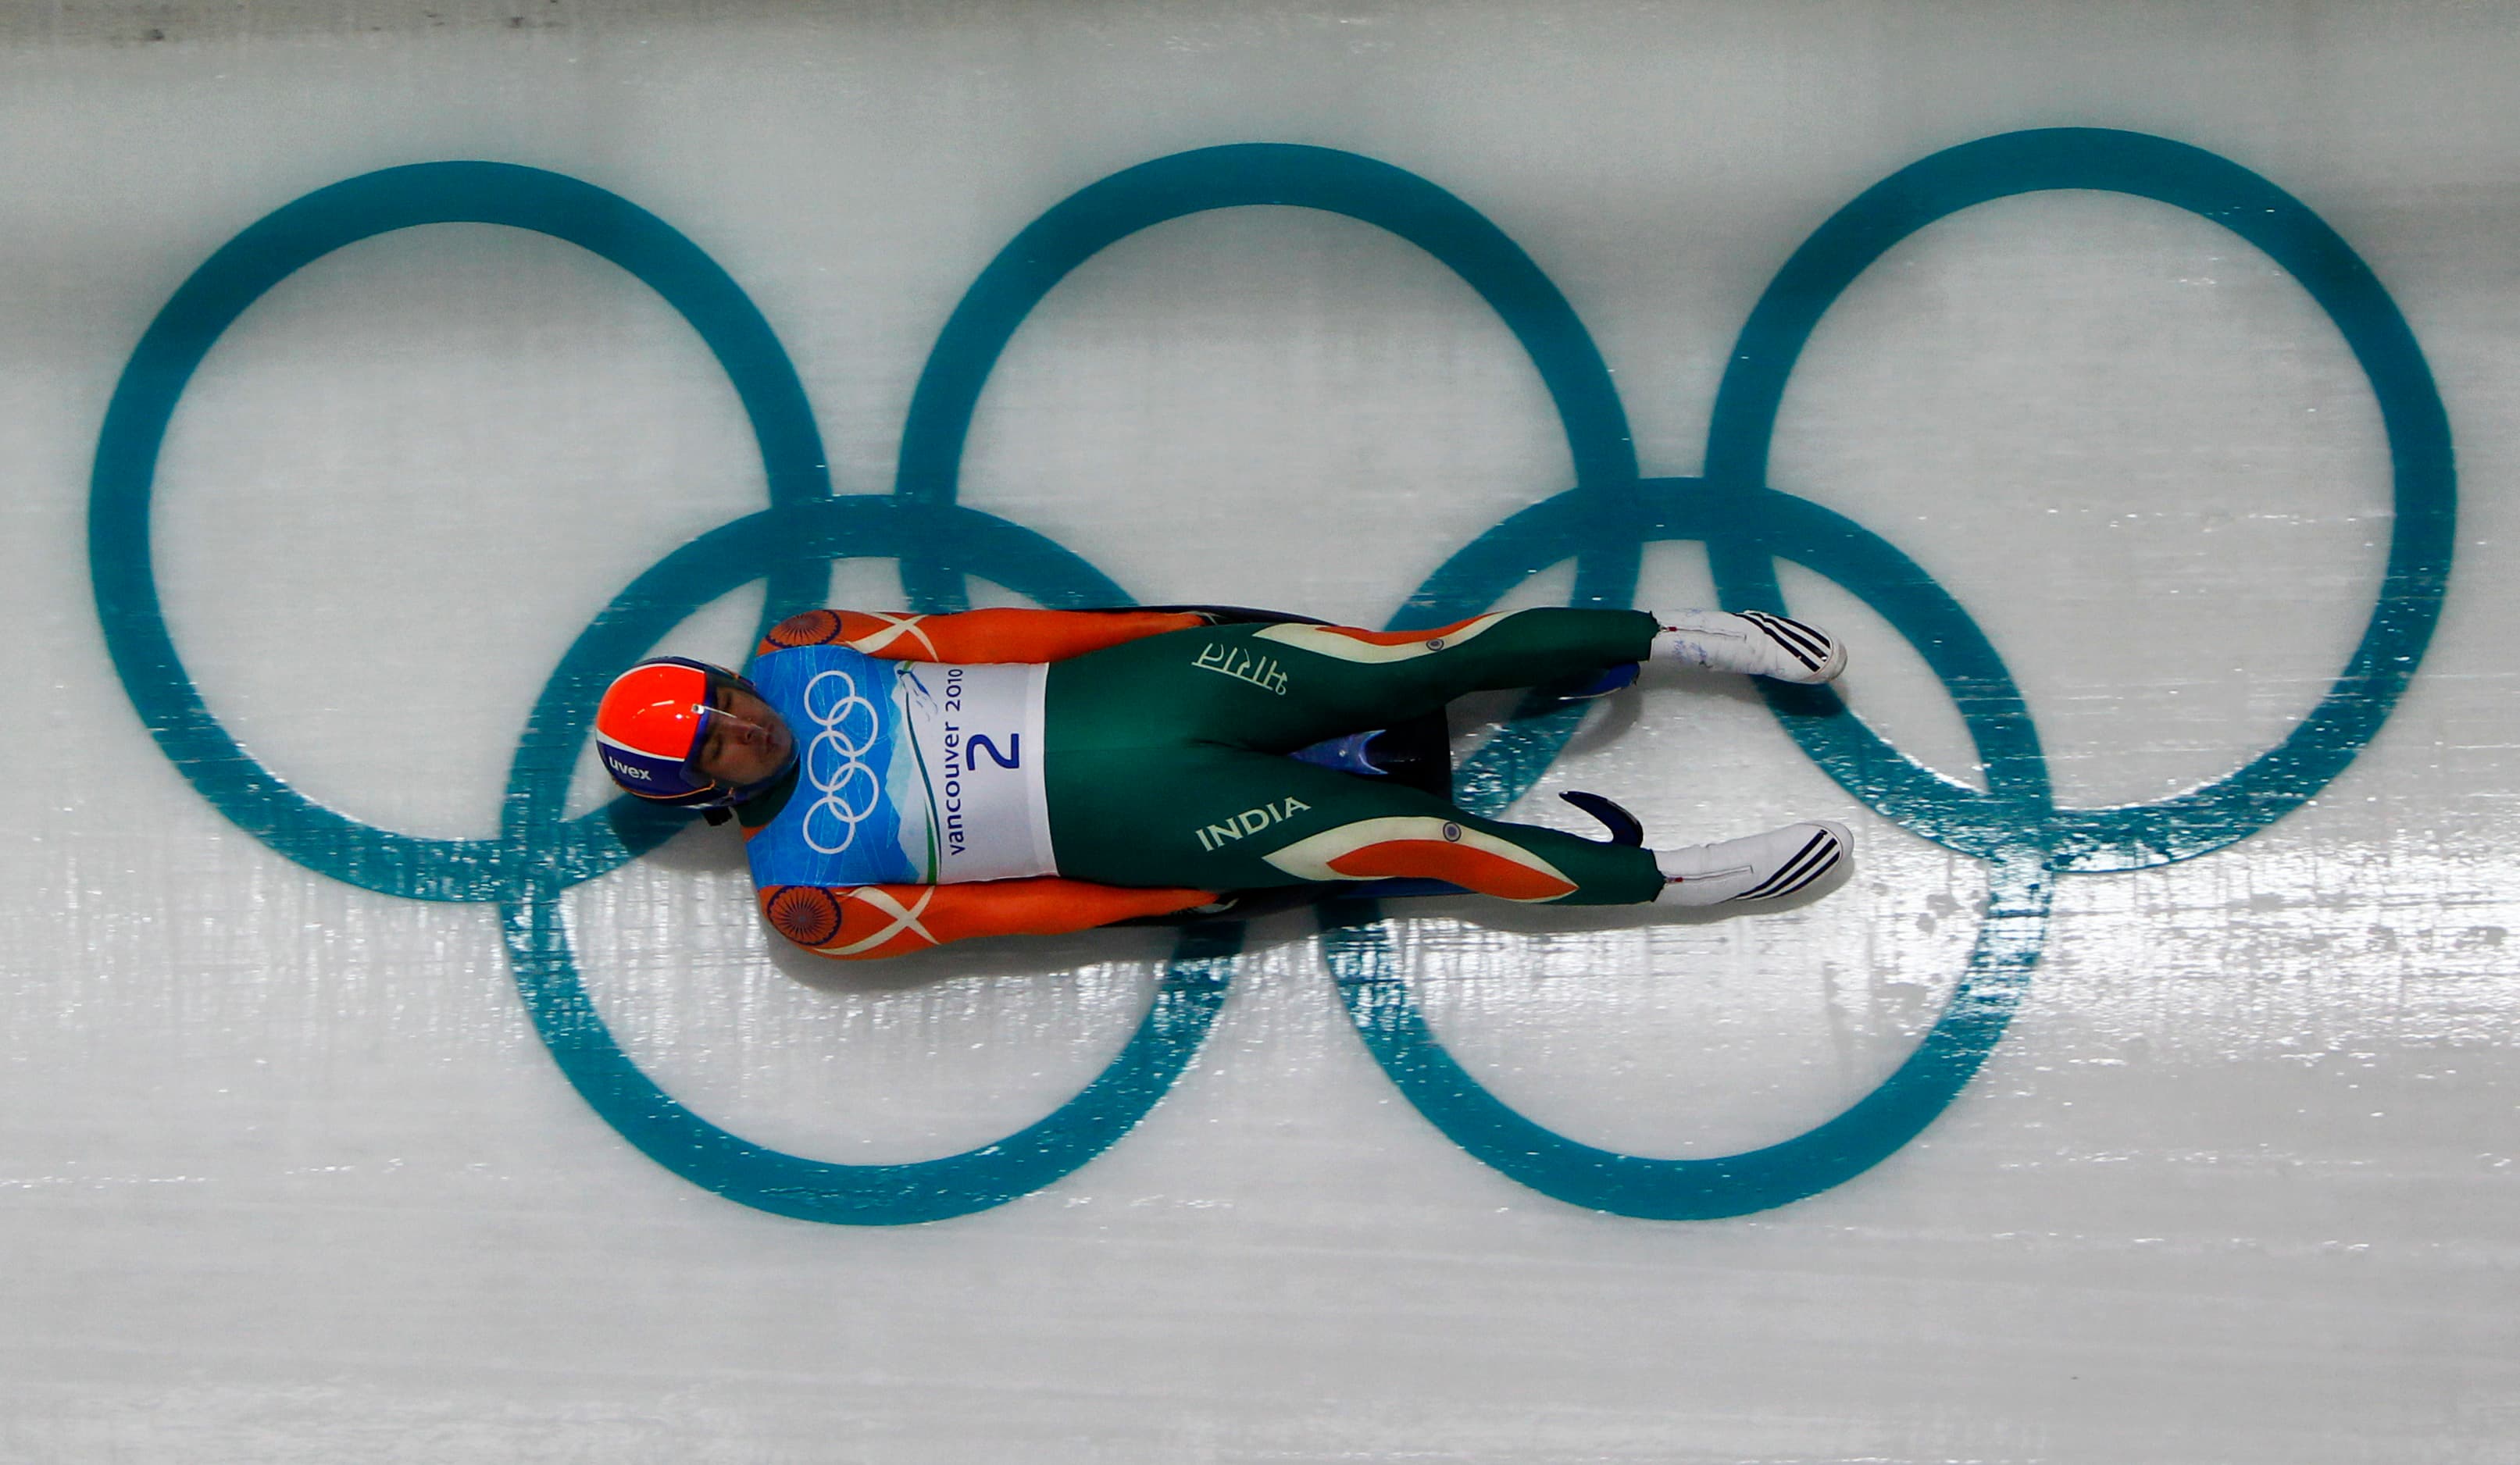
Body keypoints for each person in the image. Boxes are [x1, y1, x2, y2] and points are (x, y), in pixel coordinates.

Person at [593, 605, 1853, 960]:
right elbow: (1008, 913)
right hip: (1156, 825)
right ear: (695, 794)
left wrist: (1177, 626)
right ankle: (1674, 883)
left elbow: (1017, 636)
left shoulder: (811, 649)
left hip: (1154, 689)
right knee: (1425, 841)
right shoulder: (803, 897)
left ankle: (1676, 637)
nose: (743, 724)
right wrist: (1155, 906)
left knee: (1423, 660)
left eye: (725, 701)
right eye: (713, 745)